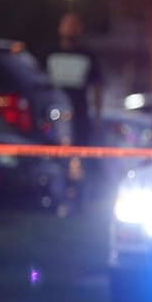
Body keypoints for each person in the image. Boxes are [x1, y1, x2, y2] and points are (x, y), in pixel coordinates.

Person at [45, 13, 104, 207]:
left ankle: (78, 197)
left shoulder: (87, 56)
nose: (70, 29)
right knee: (54, 155)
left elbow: (97, 87)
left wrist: (96, 116)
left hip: (79, 115)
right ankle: (54, 196)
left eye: (74, 25)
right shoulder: (49, 53)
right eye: (67, 24)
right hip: (54, 114)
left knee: (79, 157)